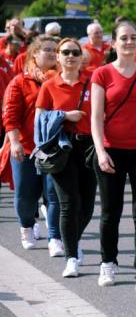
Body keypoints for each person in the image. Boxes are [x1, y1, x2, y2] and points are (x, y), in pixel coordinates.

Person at [90, 22, 136, 295]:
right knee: (111, 211)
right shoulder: (102, 74)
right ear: (113, 43)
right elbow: (96, 118)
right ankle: (108, 262)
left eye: (133, 38)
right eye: (124, 38)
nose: (129, 42)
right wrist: (100, 151)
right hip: (112, 151)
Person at [36, 37, 96, 277]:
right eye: (65, 52)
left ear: (81, 57)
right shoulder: (49, 85)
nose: (70, 56)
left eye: (74, 52)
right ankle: (71, 256)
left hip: (90, 146)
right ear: (58, 58)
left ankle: (72, 239)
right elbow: (39, 119)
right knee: (68, 204)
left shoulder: (92, 83)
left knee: (88, 206)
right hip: (62, 149)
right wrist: (64, 116)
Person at [3, 35, 62, 252]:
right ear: (34, 53)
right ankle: (27, 225)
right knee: (26, 195)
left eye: (55, 50)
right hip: (26, 148)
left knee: (53, 194)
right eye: (46, 49)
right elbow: (10, 115)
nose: (52, 53)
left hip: (54, 149)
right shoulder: (20, 81)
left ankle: (55, 237)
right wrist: (15, 142)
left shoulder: (62, 80)